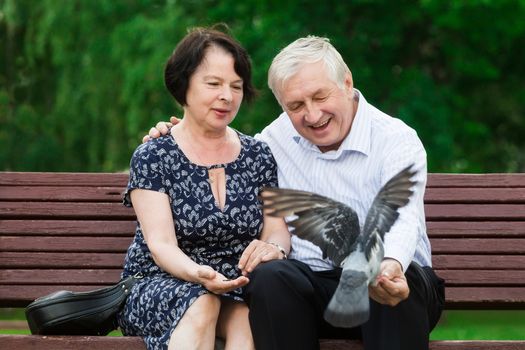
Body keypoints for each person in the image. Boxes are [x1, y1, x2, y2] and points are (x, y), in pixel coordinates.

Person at [145, 35, 445, 350]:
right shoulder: (273, 141)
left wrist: (391, 264)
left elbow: (402, 217)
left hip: (394, 287)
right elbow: (218, 150)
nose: (313, 115)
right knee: (271, 278)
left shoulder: (395, 139)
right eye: (296, 106)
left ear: (346, 82)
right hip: (313, 293)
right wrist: (176, 134)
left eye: (320, 96)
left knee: (383, 275)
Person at [119, 26, 290, 350]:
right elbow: (161, 246)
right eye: (213, 84)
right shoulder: (154, 154)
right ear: (183, 85)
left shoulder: (259, 155)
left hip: (235, 286)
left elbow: (276, 229)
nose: (227, 96)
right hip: (161, 283)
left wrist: (274, 249)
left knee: (246, 318)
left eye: (236, 86)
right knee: (202, 304)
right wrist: (199, 274)